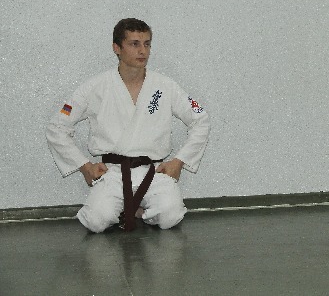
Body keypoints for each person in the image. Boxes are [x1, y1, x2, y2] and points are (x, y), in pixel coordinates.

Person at [46, 18, 210, 232]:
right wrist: (84, 166)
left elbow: (200, 119)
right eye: (134, 44)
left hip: (153, 171)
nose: (143, 51)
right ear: (117, 48)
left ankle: (135, 210)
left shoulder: (164, 86)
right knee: (96, 221)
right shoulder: (96, 87)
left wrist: (179, 161)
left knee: (170, 216)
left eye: (147, 44)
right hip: (113, 172)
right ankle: (126, 208)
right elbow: (57, 127)